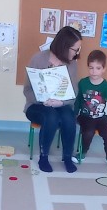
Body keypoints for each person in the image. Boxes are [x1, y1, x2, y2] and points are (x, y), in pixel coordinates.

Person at [23, 26, 82, 173]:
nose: (77, 53)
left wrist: (61, 102)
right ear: (64, 46)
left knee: (69, 117)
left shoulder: (72, 64)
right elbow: (27, 90)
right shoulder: (38, 59)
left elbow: (74, 92)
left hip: (60, 104)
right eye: (75, 49)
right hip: (36, 105)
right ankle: (43, 157)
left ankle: (67, 158)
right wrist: (42, 100)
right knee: (51, 116)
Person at [74, 50, 107, 169]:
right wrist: (73, 115)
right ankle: (82, 153)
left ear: (104, 69)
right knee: (88, 132)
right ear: (88, 67)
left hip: (100, 118)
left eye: (98, 68)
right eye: (91, 68)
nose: (94, 71)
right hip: (85, 117)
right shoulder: (83, 83)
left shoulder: (106, 86)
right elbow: (78, 100)